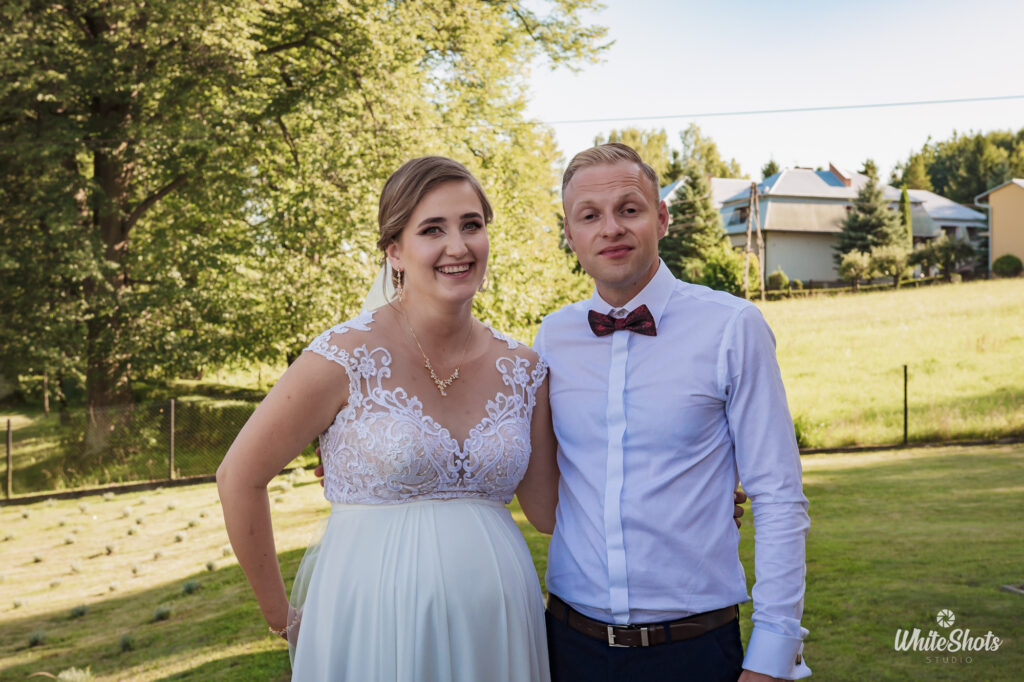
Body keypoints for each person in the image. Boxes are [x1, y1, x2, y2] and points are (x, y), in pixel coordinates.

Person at [217, 156, 559, 681]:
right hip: (372, 621)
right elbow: (238, 477)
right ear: (394, 251)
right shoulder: (342, 357)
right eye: (432, 230)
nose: (458, 246)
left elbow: (549, 512)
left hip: (498, 625)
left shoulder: (525, 368)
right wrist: (281, 617)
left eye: (471, 225)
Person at [536, 143, 811, 682]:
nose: (611, 228)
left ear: (661, 218)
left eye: (629, 209)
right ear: (570, 234)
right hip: (569, 647)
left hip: (695, 651)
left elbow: (778, 496)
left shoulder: (732, 327)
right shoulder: (552, 337)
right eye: (589, 216)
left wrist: (772, 658)